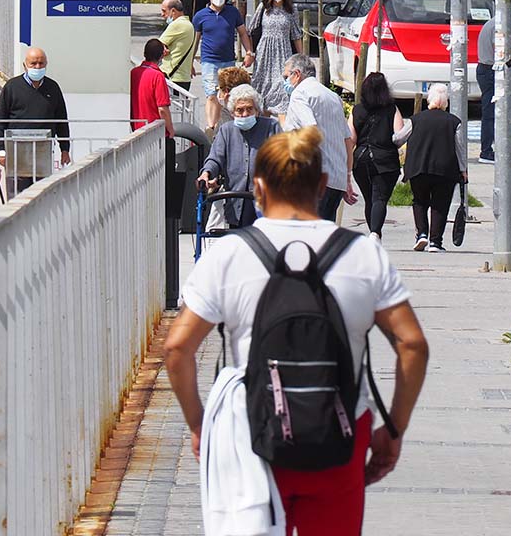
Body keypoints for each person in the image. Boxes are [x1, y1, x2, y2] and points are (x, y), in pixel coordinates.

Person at [166, 126, 429, 535]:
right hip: (341, 433)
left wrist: (201, 425)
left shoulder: (230, 254)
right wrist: (393, 428)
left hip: (255, 434)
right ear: (323, 184)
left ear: (258, 186)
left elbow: (177, 349)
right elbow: (412, 344)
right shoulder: (363, 253)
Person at [282, 53, 356, 221]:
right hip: (336, 179)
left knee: (306, 238)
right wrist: (347, 178)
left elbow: (310, 131)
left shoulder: (299, 94)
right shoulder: (333, 96)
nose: (285, 81)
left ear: (297, 74)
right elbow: (347, 140)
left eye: (286, 76)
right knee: (323, 238)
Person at [395, 83, 468, 252]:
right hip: (445, 170)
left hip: (418, 168)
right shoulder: (454, 122)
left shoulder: (416, 120)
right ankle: (435, 242)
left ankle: (421, 234)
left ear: (429, 99)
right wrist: (463, 170)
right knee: (440, 204)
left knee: (419, 201)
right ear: (445, 102)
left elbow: (399, 139)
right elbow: (460, 148)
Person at [196, 84, 280, 228]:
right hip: (236, 202)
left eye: (249, 109)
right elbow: (215, 158)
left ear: (257, 111)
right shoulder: (226, 130)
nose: (245, 114)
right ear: (233, 112)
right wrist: (206, 174)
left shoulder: (271, 127)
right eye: (240, 110)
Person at [0, 47, 71, 198]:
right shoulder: (12, 87)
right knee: (16, 196)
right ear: (25, 65)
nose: (37, 67)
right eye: (33, 63)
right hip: (16, 150)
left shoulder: (53, 87)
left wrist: (65, 148)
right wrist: (2, 150)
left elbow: (61, 119)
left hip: (43, 151)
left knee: (42, 196)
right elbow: (0, 121)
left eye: (41, 63)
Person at [349, 72, 405, 241]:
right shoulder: (392, 109)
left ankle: (374, 233)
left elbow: (351, 138)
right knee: (379, 198)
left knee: (369, 199)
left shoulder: (357, 110)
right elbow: (399, 136)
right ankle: (375, 233)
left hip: (361, 160)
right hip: (385, 160)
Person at [193, 0, 255, 136]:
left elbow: (242, 33)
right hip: (209, 61)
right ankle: (211, 128)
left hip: (228, 61)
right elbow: (195, 40)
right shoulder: (200, 16)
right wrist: (190, 62)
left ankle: (228, 128)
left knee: (228, 95)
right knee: (211, 95)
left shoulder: (232, 12)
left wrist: (249, 52)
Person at [476, 1, 511, 163]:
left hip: (487, 69)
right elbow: (500, 50)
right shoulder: (499, 27)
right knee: (491, 113)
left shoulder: (492, 24)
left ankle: (499, 148)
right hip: (491, 72)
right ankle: (486, 152)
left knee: (496, 113)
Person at [248, 0, 302, 117]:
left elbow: (296, 35)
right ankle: (264, 127)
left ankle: (282, 130)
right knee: (263, 90)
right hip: (265, 54)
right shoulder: (264, 8)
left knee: (282, 88)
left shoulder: (291, 10)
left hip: (283, 53)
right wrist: (250, 52)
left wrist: (301, 58)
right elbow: (251, 29)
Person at [130, 38, 174, 138]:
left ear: (145, 54)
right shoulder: (158, 76)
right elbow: (162, 109)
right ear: (161, 55)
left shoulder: (134, 73)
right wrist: (170, 129)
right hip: (154, 132)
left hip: (136, 129)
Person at [158, 0, 196, 92]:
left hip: (172, 76)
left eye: (164, 11)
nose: (162, 15)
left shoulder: (177, 24)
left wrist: (162, 48)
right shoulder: (189, 24)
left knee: (165, 106)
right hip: (184, 77)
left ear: (173, 11)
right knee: (181, 106)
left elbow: (156, 46)